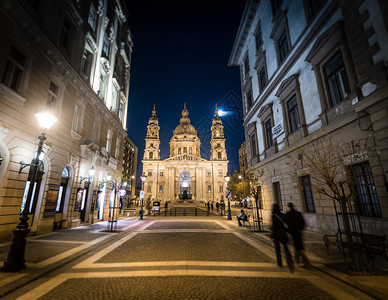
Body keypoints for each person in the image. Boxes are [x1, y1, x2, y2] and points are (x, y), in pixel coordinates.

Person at [286, 202, 311, 268]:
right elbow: (303, 223)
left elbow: (287, 225)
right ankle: (297, 259)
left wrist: (289, 231)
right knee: (297, 245)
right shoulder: (298, 213)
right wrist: (300, 229)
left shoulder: (288, 214)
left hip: (293, 233)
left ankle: (306, 262)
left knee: (298, 247)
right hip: (299, 232)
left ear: (288, 207)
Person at [270, 203, 294, 272]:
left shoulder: (273, 216)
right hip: (283, 234)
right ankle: (289, 262)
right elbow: (288, 225)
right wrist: (286, 230)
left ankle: (279, 263)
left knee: (277, 249)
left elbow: (273, 227)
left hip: (276, 235)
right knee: (286, 249)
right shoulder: (283, 215)